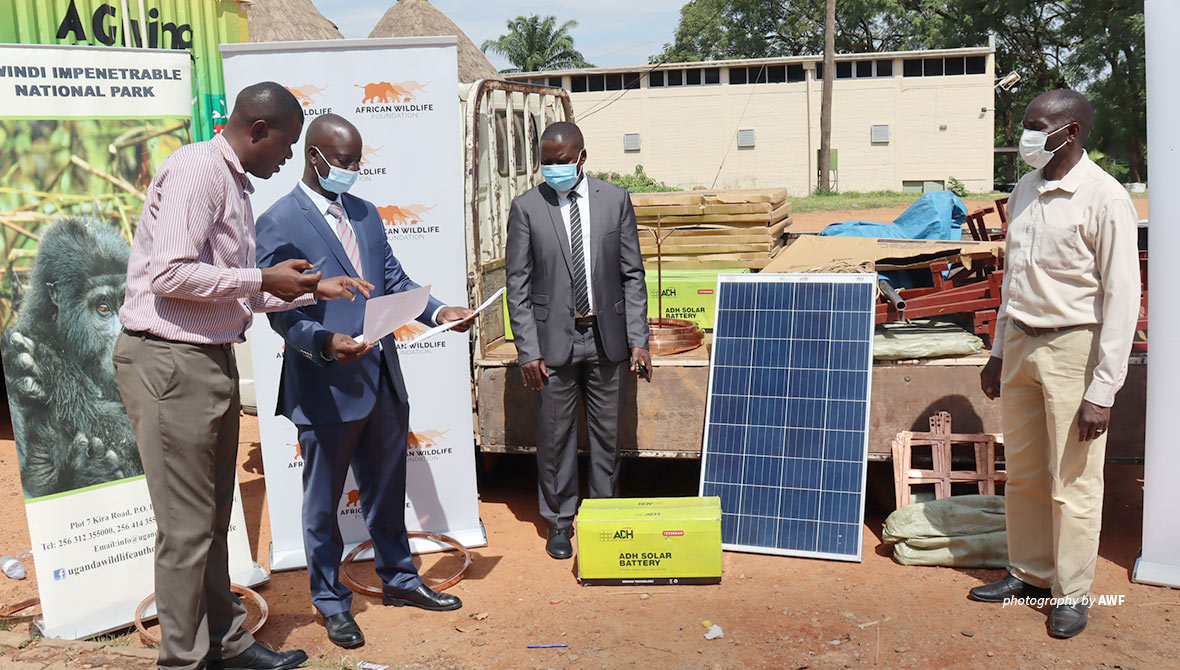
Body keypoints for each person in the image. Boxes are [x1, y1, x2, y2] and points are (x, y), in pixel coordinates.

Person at [115, 83, 371, 670]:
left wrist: (305, 287)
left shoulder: (231, 181)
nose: (289, 157)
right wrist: (260, 280)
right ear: (257, 129)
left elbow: (228, 291)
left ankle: (226, 644)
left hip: (204, 358)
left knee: (210, 520)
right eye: (285, 145)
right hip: (169, 361)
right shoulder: (198, 171)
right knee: (185, 530)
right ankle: (183, 660)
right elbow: (170, 275)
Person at [255, 113, 474, 649]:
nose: (354, 171)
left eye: (357, 162)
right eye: (346, 163)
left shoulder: (366, 213)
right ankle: (331, 602)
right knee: (322, 504)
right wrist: (326, 344)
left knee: (386, 491)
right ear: (316, 158)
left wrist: (440, 312)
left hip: (382, 378)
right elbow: (281, 310)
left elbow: (392, 281)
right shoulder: (278, 221)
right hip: (326, 384)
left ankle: (400, 580)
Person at [972, 89, 1140, 638]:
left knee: (1073, 480)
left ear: (1071, 131)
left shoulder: (1104, 199)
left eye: (1037, 125)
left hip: (1074, 348)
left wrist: (1103, 391)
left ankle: (1071, 592)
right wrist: (998, 352)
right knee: (1023, 472)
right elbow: (1014, 278)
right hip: (1020, 342)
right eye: (1026, 123)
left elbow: (1123, 299)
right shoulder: (1025, 188)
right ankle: (1030, 572)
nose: (1027, 134)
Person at [505, 121, 651, 560]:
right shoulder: (527, 207)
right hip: (553, 345)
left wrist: (638, 338)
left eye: (561, 162)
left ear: (582, 157)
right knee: (556, 436)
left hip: (606, 340)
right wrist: (527, 349)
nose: (553, 170)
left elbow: (632, 275)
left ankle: (604, 518)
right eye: (546, 163)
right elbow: (518, 284)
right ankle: (559, 521)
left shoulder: (615, 201)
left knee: (608, 436)